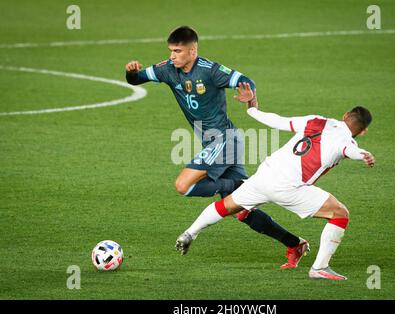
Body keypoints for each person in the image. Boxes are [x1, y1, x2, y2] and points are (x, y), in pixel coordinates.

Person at [125, 26, 307, 268]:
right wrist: (131, 72)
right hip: (217, 142)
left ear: (193, 50)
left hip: (224, 140)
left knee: (183, 185)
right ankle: (295, 244)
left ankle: (235, 185)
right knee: (242, 210)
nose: (172, 56)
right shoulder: (168, 70)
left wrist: (249, 96)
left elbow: (244, 80)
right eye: (170, 51)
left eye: (178, 51)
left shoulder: (210, 71)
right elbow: (137, 79)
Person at [175, 83, 375, 280]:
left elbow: (278, 121)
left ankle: (189, 233)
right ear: (363, 131)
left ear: (345, 115)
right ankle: (320, 268)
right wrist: (363, 154)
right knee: (340, 213)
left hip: (264, 175)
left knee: (226, 206)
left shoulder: (317, 121)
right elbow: (350, 150)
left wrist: (252, 109)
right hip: (289, 188)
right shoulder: (346, 142)